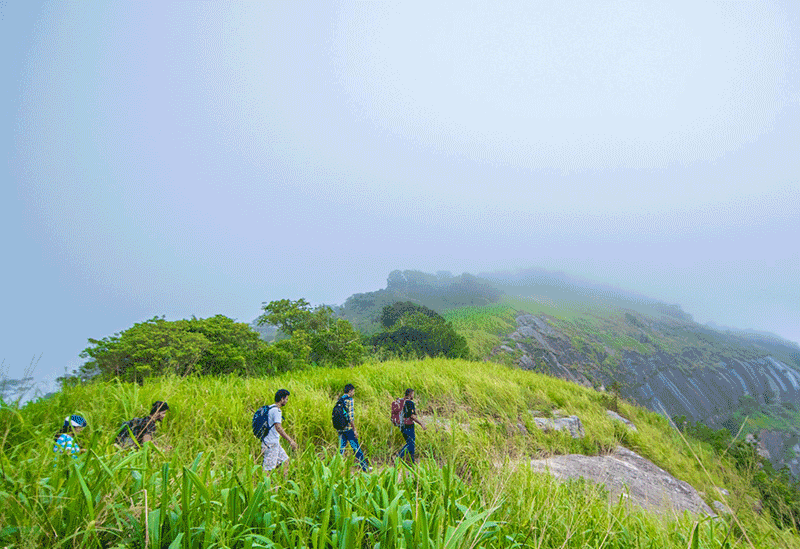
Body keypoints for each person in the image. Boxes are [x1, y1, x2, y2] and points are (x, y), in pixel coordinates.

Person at [336, 383, 371, 472]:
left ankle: (335, 468)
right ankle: (364, 467)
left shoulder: (340, 399)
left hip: (340, 428)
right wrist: (354, 430)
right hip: (348, 429)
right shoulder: (349, 400)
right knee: (356, 448)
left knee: (341, 449)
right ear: (350, 391)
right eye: (353, 391)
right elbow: (351, 417)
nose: (354, 393)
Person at [261, 388, 297, 474]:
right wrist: (290, 440)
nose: (287, 401)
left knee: (285, 461)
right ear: (282, 399)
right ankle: (267, 485)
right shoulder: (277, 411)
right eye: (286, 399)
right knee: (268, 469)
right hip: (271, 444)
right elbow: (278, 427)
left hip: (272, 442)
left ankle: (282, 484)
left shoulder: (269, 408)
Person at [398, 388, 426, 464]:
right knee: (410, 444)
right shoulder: (410, 403)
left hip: (402, 426)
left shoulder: (401, 402)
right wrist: (421, 424)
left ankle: (411, 461)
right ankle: (398, 457)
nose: (413, 396)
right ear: (410, 395)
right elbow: (412, 416)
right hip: (408, 426)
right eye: (413, 394)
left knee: (411, 444)